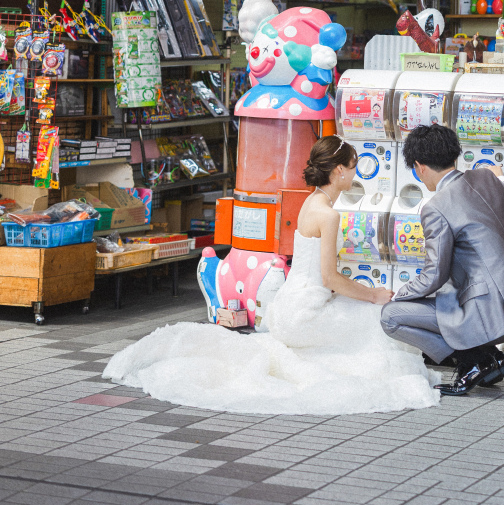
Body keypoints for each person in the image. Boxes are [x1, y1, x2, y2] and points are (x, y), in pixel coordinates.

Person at [103, 136, 438, 415]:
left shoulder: (311, 203)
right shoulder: (329, 215)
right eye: (352, 168)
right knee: (375, 315)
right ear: (339, 172)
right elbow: (331, 278)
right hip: (308, 314)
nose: (356, 174)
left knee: (362, 313)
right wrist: (375, 295)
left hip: (287, 308)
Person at [381, 123, 504, 396]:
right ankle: (488, 359)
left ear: (420, 167)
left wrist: (398, 295)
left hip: (489, 316)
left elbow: (434, 275)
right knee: (443, 298)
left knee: (391, 317)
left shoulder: (435, 207)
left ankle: (473, 361)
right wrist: (500, 177)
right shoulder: (486, 179)